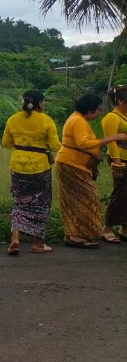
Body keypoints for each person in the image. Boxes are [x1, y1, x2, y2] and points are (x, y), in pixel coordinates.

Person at [55, 93, 127, 248]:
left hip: (73, 163)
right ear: (89, 109)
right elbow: (84, 143)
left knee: (74, 199)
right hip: (71, 163)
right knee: (88, 197)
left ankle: (74, 234)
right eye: (97, 110)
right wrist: (111, 138)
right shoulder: (78, 121)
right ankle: (78, 235)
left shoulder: (78, 119)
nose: (99, 113)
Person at [1, 90, 61, 255]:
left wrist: (22, 147)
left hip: (18, 165)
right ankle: (38, 243)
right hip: (39, 167)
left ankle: (15, 237)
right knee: (42, 204)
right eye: (44, 102)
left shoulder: (13, 119)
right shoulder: (46, 120)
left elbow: (6, 142)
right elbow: (56, 146)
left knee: (19, 202)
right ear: (40, 103)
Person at [101, 85, 127, 241]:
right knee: (119, 193)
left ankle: (124, 226)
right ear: (122, 101)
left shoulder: (124, 116)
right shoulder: (112, 117)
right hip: (120, 158)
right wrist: (117, 162)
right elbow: (111, 142)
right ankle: (108, 226)